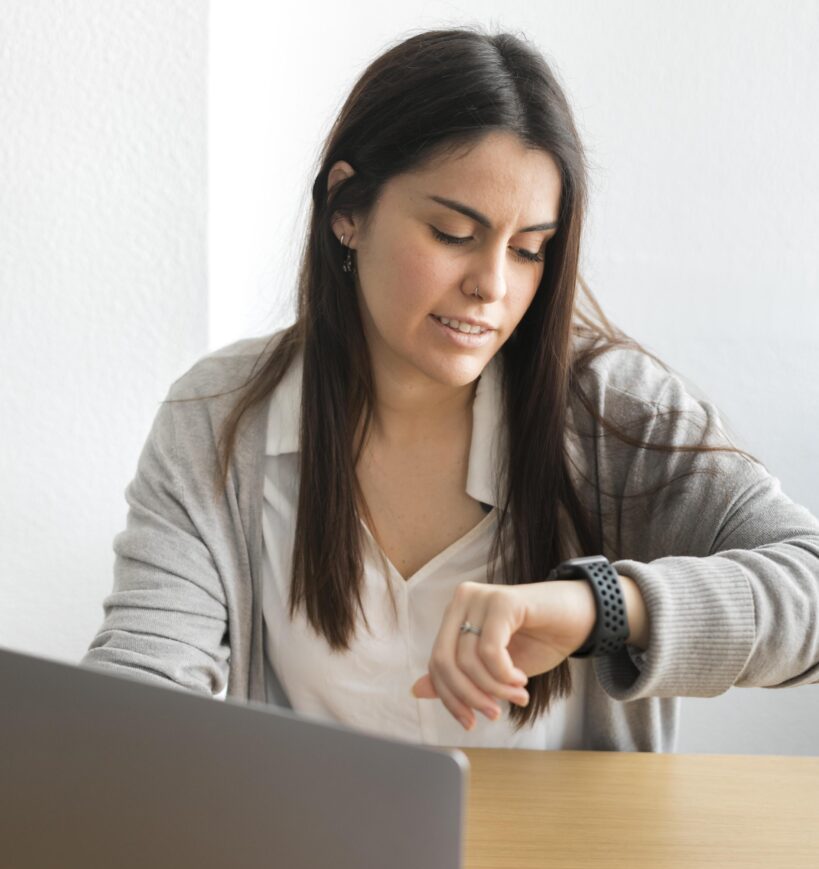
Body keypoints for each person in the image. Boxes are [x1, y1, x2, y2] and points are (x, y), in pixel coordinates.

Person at [81, 26, 819, 752]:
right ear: (346, 209)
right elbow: (141, 684)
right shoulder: (218, 419)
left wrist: (598, 607)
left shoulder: (614, 409)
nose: (491, 285)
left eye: (529, 249)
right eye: (452, 234)